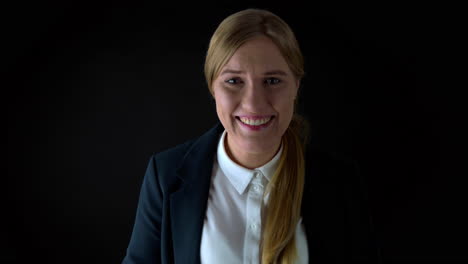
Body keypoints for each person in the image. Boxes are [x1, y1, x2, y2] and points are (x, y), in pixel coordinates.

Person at [122, 8, 382, 264]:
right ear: (212, 86)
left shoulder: (340, 182)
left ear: (296, 85)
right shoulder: (165, 175)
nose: (254, 104)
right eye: (234, 81)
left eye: (272, 81)